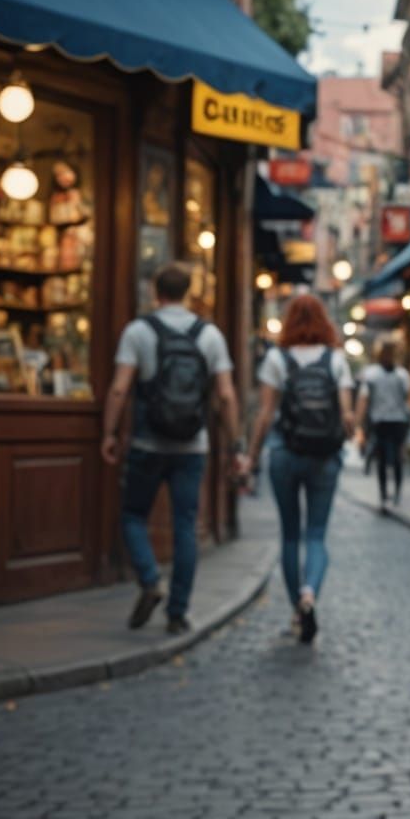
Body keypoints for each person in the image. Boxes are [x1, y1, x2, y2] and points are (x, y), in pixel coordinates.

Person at [102, 263, 244, 635]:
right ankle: (178, 613)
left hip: (148, 442)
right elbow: (226, 395)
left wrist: (109, 432)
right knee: (186, 525)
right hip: (193, 446)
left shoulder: (138, 331)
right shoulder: (209, 335)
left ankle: (150, 580)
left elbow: (119, 388)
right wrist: (236, 445)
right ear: (189, 292)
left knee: (133, 516)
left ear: (155, 291)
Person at [246, 295, 353, 644]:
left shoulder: (276, 359)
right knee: (317, 535)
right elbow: (348, 418)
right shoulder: (336, 361)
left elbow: (264, 415)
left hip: (284, 453)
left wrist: (251, 457)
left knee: (290, 535)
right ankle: (310, 593)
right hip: (324, 457)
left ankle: (296, 609)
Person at [355, 339, 410, 506]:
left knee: (382, 458)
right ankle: (397, 493)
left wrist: (360, 421)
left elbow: (364, 399)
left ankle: (383, 493)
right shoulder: (402, 374)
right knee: (397, 458)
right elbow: (408, 397)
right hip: (398, 420)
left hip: (380, 420)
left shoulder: (373, 374)